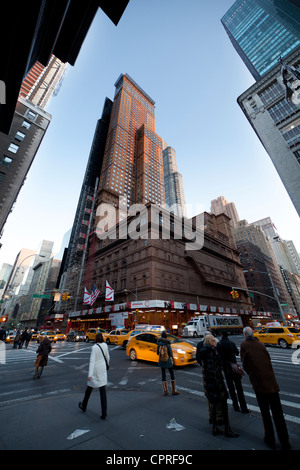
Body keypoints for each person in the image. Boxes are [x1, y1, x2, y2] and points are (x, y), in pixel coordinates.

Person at [240, 326, 291, 450]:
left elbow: (245, 364)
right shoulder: (260, 344)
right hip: (272, 383)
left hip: (260, 384)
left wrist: (251, 374)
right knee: (278, 414)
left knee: (266, 414)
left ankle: (270, 439)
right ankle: (285, 442)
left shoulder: (244, 345)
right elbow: (268, 359)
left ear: (245, 335)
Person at [197, 334, 239, 437]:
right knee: (223, 405)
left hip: (209, 382)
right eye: (214, 341)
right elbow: (215, 370)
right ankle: (227, 429)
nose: (216, 343)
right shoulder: (212, 353)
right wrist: (219, 384)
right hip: (216, 383)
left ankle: (215, 427)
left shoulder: (204, 353)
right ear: (211, 342)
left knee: (214, 405)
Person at [217, 331, 250, 414]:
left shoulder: (219, 344)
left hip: (226, 368)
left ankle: (235, 405)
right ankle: (244, 407)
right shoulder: (231, 343)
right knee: (239, 388)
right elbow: (237, 353)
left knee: (231, 388)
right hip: (234, 367)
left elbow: (219, 356)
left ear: (221, 335)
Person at [79, 333, 109, 419]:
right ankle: (104, 412)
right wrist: (107, 365)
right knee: (102, 390)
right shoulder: (105, 345)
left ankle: (84, 406)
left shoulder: (94, 347)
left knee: (89, 389)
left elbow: (92, 361)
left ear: (96, 339)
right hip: (102, 369)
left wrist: (90, 374)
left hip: (95, 370)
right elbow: (107, 357)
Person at [157, 331, 180, 396]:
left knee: (163, 375)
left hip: (161, 360)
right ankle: (173, 390)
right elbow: (170, 353)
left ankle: (165, 391)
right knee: (171, 374)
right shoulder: (167, 343)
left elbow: (157, 353)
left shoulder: (159, 343)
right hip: (168, 361)